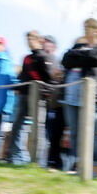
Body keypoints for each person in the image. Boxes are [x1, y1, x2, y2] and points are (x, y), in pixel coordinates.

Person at [61, 18, 97, 172]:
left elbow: (96, 57)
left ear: (95, 30)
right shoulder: (81, 46)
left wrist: (81, 56)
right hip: (75, 96)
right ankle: (76, 164)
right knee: (74, 131)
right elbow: (66, 60)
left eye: (87, 29)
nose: (85, 33)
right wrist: (81, 52)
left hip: (93, 97)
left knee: (90, 132)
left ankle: (91, 166)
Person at [6, 31, 56, 164]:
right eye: (27, 39)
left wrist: (45, 95)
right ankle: (17, 157)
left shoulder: (45, 57)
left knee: (38, 129)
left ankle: (38, 161)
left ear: (39, 40)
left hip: (39, 99)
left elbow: (50, 79)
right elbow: (23, 76)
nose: (29, 41)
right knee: (17, 126)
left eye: (32, 39)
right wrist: (17, 88)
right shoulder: (27, 58)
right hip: (24, 96)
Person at [40, 35, 65, 170]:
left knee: (54, 136)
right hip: (49, 104)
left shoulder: (56, 62)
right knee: (50, 135)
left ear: (54, 46)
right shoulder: (44, 60)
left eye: (48, 43)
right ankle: (50, 161)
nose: (45, 45)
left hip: (57, 105)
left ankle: (55, 162)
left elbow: (56, 79)